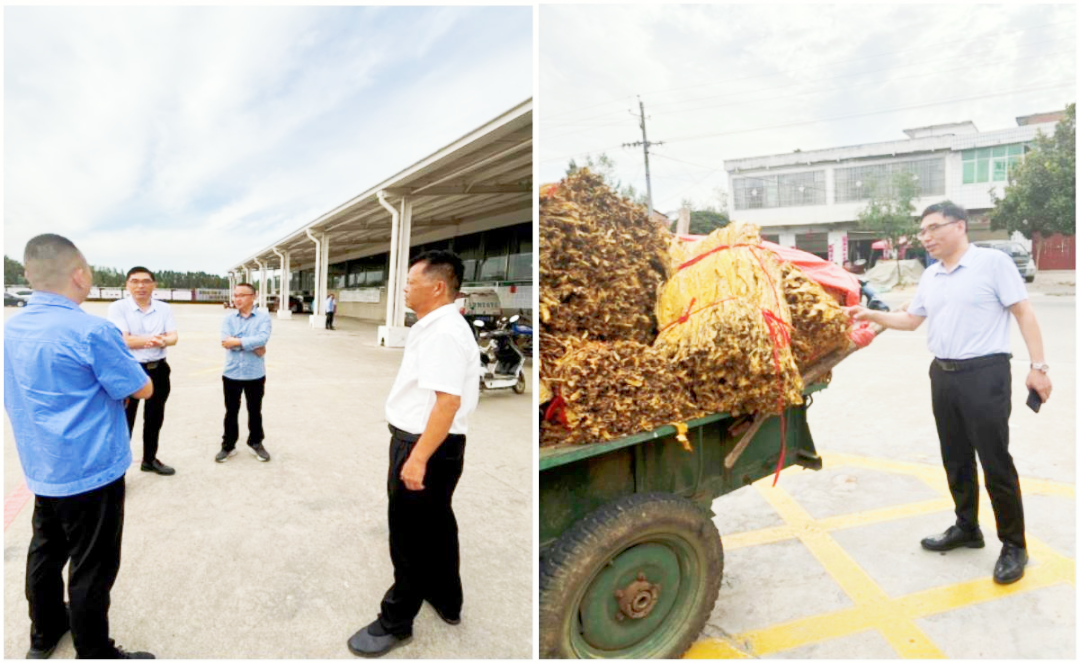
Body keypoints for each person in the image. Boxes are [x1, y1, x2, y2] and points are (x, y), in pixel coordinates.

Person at [845, 202, 1052, 585]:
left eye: (932, 228)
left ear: (959, 227)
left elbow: (1024, 312)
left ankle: (1013, 545)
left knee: (994, 461)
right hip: (943, 375)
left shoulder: (992, 264)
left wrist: (1038, 367)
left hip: (985, 374)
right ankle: (966, 528)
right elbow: (911, 321)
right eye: (922, 231)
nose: (926, 237)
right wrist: (870, 314)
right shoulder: (932, 276)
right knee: (955, 458)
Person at [4, 234, 156, 659]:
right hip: (90, 469)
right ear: (79, 275)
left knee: (46, 552)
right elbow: (140, 387)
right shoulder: (91, 330)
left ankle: (45, 633)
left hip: (43, 464)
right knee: (92, 566)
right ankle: (95, 650)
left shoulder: (13, 328)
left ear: (30, 275)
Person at [348, 250, 480, 658]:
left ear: (437, 286)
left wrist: (417, 458)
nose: (403, 287)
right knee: (437, 524)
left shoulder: (443, 331)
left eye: (410, 281)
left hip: (425, 443)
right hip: (438, 442)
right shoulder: (439, 325)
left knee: (409, 536)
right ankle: (446, 598)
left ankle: (396, 621)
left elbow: (447, 402)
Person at [107, 267, 178, 476]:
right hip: (129, 370)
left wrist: (154, 340)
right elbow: (123, 340)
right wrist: (157, 339)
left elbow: (174, 337)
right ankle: (117, 472)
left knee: (155, 418)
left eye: (146, 281)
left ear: (154, 285)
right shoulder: (118, 308)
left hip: (159, 369)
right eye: (135, 281)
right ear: (127, 285)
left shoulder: (164, 308)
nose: (141, 286)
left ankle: (149, 459)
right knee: (125, 421)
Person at [217, 282, 272, 463]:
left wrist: (237, 341)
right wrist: (253, 345)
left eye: (242, 295)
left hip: (254, 374)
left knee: (255, 410)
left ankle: (256, 442)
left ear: (253, 297)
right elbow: (226, 342)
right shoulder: (228, 319)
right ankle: (228, 445)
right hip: (232, 373)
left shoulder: (263, 318)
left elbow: (263, 338)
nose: (237, 298)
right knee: (231, 411)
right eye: (235, 295)